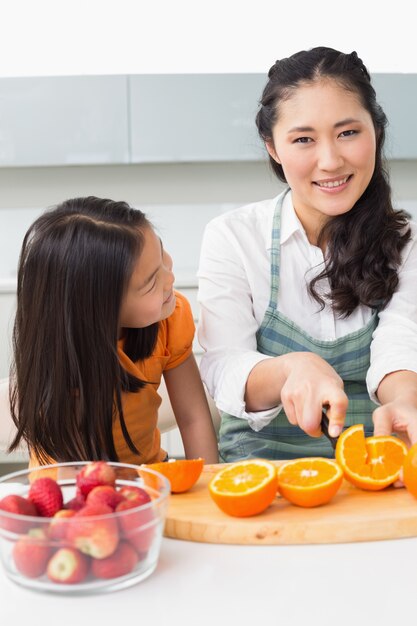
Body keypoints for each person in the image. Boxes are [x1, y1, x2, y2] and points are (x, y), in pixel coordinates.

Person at [197, 46, 417, 462]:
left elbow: (400, 340)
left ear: (377, 132)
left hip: (372, 459)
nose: (331, 161)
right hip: (259, 465)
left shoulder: (404, 239)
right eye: (303, 140)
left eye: (348, 133)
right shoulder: (233, 238)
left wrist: (405, 401)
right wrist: (289, 370)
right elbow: (223, 366)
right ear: (274, 149)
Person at [9, 196, 218, 465]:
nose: (170, 279)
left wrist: (208, 486)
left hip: (149, 475)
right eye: (151, 283)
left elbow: (192, 417)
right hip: (73, 484)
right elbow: (73, 473)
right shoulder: (66, 355)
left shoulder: (171, 316)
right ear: (99, 308)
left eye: (163, 257)